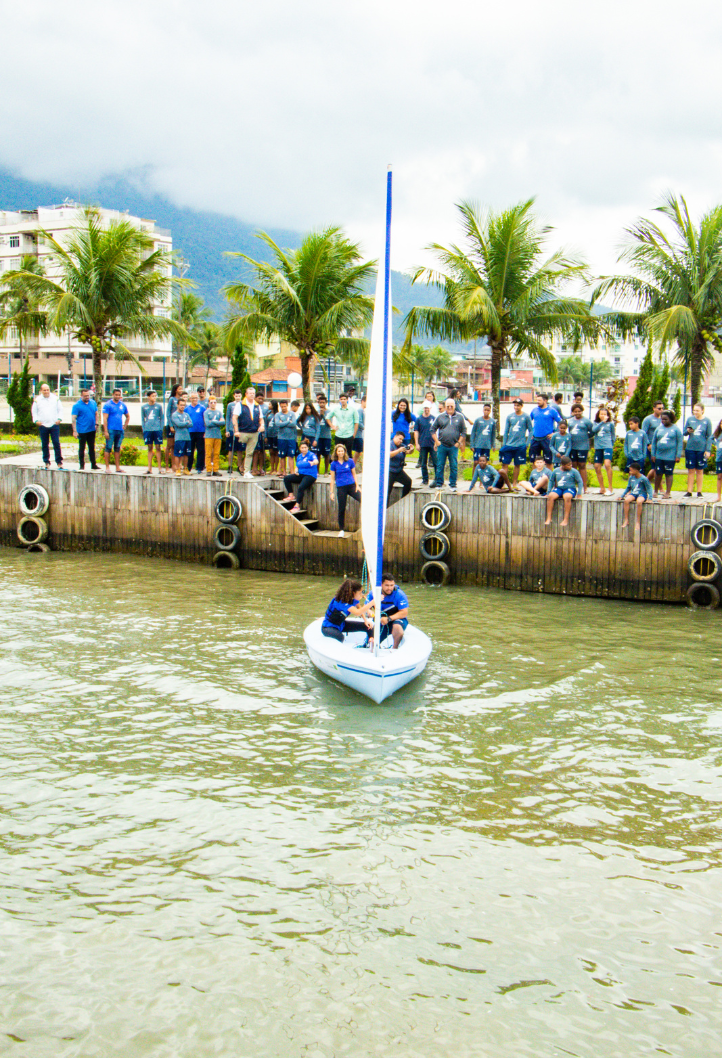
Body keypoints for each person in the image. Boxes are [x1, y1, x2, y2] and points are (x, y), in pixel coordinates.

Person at [321, 579, 374, 644]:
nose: (362, 595)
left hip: (341, 624)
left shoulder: (353, 599)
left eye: (362, 592)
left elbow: (359, 607)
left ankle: (370, 643)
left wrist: (365, 620)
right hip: (329, 626)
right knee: (340, 637)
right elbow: (357, 612)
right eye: (360, 593)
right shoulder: (341, 602)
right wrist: (372, 602)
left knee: (369, 627)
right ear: (353, 593)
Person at [366, 573, 410, 651]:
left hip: (396, 619)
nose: (389, 588)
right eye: (386, 585)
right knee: (370, 642)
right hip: (381, 621)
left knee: (397, 627)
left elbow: (404, 612)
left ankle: (394, 648)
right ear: (381, 585)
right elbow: (366, 608)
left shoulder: (400, 595)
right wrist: (369, 612)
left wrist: (389, 619)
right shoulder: (373, 593)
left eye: (391, 585)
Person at [432, 397, 467, 490]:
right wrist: (437, 441)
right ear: (445, 406)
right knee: (440, 465)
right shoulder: (440, 417)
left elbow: (464, 431)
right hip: (442, 445)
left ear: (455, 406)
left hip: (453, 446)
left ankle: (453, 484)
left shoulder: (460, 417)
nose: (450, 408)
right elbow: (432, 430)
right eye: (448, 406)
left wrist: (459, 442)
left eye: (452, 406)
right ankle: (439, 483)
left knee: (454, 466)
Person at [499, 398, 532, 486]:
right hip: (509, 444)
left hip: (520, 445)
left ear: (521, 406)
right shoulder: (510, 416)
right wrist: (504, 443)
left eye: (518, 405)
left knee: (517, 465)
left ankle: (514, 484)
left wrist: (527, 443)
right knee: (505, 464)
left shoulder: (526, 416)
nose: (516, 407)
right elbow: (506, 431)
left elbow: (531, 431)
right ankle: (504, 484)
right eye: (515, 405)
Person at [232, 386, 264, 478]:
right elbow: (234, 417)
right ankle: (240, 467)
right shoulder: (240, 404)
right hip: (243, 431)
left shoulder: (257, 405)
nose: (252, 395)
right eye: (250, 393)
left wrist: (262, 425)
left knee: (250, 452)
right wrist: (236, 430)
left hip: (254, 432)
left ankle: (246, 471)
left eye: (253, 393)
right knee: (240, 451)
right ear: (246, 394)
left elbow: (261, 418)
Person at [651, 409, 683, 500]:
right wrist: (653, 454)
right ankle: (656, 491)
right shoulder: (659, 428)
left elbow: (680, 442)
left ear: (671, 419)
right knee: (658, 473)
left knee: (668, 473)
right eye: (662, 419)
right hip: (659, 456)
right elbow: (654, 442)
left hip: (670, 456)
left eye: (665, 419)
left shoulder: (676, 429)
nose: (663, 421)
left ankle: (668, 492)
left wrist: (678, 455)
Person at [330, 443, 361, 537]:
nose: (340, 453)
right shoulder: (333, 464)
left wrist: (357, 486)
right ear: (336, 452)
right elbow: (332, 479)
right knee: (341, 508)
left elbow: (354, 474)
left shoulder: (350, 461)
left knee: (363, 500)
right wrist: (331, 492)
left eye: (342, 451)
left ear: (345, 452)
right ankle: (341, 530)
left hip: (351, 486)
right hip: (341, 487)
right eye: (338, 451)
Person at [32, 383, 64, 470]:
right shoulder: (37, 400)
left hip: (54, 425)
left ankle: (59, 462)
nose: (46, 392)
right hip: (43, 425)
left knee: (56, 443)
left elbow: (60, 409)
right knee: (45, 444)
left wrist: (59, 419)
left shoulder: (55, 399)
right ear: (41, 391)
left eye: (48, 390)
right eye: (44, 390)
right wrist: (36, 421)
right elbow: (34, 411)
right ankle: (46, 461)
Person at [683, 402, 712, 498]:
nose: (695, 412)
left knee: (699, 470)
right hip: (690, 448)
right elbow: (684, 433)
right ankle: (689, 491)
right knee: (691, 470)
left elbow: (709, 436)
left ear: (702, 411)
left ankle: (699, 492)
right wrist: (688, 431)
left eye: (697, 410)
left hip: (701, 449)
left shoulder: (707, 421)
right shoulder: (690, 419)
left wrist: (708, 450)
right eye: (694, 410)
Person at [545, 456, 584, 527]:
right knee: (550, 496)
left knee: (567, 496)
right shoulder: (556, 471)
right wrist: (548, 492)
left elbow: (580, 482)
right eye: (568, 465)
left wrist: (579, 493)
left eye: (571, 464)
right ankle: (549, 518)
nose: (570, 466)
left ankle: (565, 519)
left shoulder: (574, 471)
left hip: (570, 489)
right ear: (563, 465)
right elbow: (551, 481)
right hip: (559, 488)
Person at [283, 439, 319, 512]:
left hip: (310, 475)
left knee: (301, 487)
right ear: (300, 448)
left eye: (305, 447)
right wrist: (296, 470)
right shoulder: (299, 456)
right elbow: (297, 466)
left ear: (307, 448)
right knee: (286, 478)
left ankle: (297, 506)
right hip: (301, 474)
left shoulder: (311, 455)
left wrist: (313, 463)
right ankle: (291, 495)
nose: (304, 449)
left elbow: (316, 461)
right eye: (302, 448)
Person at [567, 403, 594, 492]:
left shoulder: (587, 421)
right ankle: (574, 486)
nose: (577, 413)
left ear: (582, 411)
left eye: (579, 411)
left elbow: (592, 431)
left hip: (583, 446)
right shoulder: (570, 421)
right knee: (573, 466)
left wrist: (585, 437)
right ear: (572, 412)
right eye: (575, 411)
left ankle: (584, 487)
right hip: (572, 446)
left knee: (582, 466)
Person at [529, 393, 562, 466]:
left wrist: (555, 433)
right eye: (537, 400)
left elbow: (560, 422)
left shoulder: (552, 410)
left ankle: (548, 477)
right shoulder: (534, 410)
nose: (537, 402)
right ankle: (535, 477)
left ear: (545, 400)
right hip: (535, 439)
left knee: (548, 461)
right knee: (535, 461)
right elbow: (528, 422)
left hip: (547, 439)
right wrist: (531, 433)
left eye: (539, 400)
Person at [102, 388, 130, 474]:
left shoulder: (122, 405)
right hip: (111, 429)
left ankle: (118, 467)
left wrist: (125, 425)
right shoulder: (108, 405)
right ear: (113, 395)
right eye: (116, 395)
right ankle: (107, 467)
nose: (117, 396)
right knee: (108, 448)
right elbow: (105, 418)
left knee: (117, 448)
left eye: (119, 395)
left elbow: (127, 416)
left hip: (119, 430)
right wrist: (105, 431)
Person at [71, 388, 99, 470]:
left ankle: (93, 464)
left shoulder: (93, 403)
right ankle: (82, 465)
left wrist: (96, 423)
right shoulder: (77, 405)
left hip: (91, 429)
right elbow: (73, 418)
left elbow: (96, 413)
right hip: (82, 430)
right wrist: (75, 431)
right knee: (82, 448)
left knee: (91, 447)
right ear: (81, 395)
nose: (87, 397)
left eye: (88, 395)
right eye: (85, 396)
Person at [619, 462, 654, 529]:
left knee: (639, 502)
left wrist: (650, 498)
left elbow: (649, 488)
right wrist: (622, 495)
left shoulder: (643, 479)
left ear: (636, 470)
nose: (630, 472)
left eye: (631, 470)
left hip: (641, 494)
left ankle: (637, 521)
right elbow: (628, 487)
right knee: (626, 500)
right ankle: (626, 519)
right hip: (633, 493)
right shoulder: (631, 478)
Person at [592, 407, 616, 495]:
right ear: (598, 415)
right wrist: (602, 422)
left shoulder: (610, 424)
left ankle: (610, 487)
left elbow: (613, 435)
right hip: (598, 447)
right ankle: (602, 488)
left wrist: (611, 444)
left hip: (607, 446)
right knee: (597, 466)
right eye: (601, 414)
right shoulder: (596, 423)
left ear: (608, 416)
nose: (603, 416)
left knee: (607, 464)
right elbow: (594, 430)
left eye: (605, 414)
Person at [140, 388, 164, 475]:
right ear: (148, 397)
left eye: (155, 396)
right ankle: (149, 468)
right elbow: (143, 419)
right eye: (153, 396)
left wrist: (161, 428)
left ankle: (160, 468)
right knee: (149, 448)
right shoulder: (144, 407)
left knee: (158, 447)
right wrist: (144, 428)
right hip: (148, 429)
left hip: (157, 429)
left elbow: (161, 417)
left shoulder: (158, 406)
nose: (154, 398)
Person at [414, 401, 436, 486]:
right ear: (423, 408)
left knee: (435, 462)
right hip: (423, 444)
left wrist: (436, 442)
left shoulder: (433, 418)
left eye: (428, 408)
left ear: (430, 408)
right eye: (425, 408)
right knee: (423, 463)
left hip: (432, 444)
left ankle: (437, 479)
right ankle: (425, 480)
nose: (426, 409)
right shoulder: (419, 419)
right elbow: (416, 431)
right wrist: (417, 443)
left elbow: (437, 431)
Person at [642, 400, 665, 481]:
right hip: (651, 447)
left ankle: (645, 483)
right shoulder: (648, 419)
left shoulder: (663, 419)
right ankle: (660, 488)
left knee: (658, 466)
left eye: (662, 408)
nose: (661, 410)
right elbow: (643, 433)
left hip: (661, 446)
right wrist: (648, 444)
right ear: (654, 408)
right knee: (655, 466)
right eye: (659, 408)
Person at [387, 431, 413, 504]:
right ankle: (385, 508)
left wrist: (411, 449)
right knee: (387, 491)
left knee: (408, 482)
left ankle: (403, 501)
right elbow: (388, 454)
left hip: (398, 471)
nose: (400, 441)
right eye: (399, 439)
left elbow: (408, 452)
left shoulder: (402, 445)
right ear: (395, 437)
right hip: (390, 471)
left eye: (402, 440)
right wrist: (399, 450)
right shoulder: (390, 444)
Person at [274, 399, 298, 476]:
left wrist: (283, 423)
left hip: (291, 438)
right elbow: (277, 424)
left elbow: (294, 424)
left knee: (291, 455)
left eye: (285, 406)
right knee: (282, 456)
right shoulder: (277, 414)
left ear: (287, 406)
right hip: (281, 438)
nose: (283, 408)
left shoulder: (292, 414)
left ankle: (292, 472)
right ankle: (283, 472)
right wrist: (288, 422)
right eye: (282, 407)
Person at [171, 396, 193, 475]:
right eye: (181, 405)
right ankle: (177, 469)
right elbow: (179, 424)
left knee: (187, 454)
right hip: (179, 437)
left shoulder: (186, 414)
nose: (182, 407)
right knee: (178, 453)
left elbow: (191, 424)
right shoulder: (174, 415)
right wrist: (186, 423)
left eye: (184, 405)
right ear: (177, 405)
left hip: (187, 437)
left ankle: (185, 468)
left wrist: (186, 423)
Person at [203, 395, 225, 476]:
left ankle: (215, 469)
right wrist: (217, 422)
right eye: (211, 402)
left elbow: (223, 422)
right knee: (208, 453)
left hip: (217, 435)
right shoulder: (206, 412)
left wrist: (213, 421)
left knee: (216, 453)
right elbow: (207, 423)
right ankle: (208, 469)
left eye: (214, 402)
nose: (213, 404)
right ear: (209, 403)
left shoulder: (219, 412)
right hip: (209, 435)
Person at [164, 383, 182, 472]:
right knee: (169, 445)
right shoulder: (172, 399)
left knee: (175, 446)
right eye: (179, 389)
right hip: (171, 426)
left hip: (178, 426)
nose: (181, 390)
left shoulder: (180, 400)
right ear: (176, 390)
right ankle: (167, 466)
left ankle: (175, 465)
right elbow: (168, 413)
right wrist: (170, 425)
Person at [225, 389, 243, 476]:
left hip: (240, 430)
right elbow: (228, 417)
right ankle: (229, 466)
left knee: (240, 450)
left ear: (241, 396)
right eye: (236, 396)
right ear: (234, 396)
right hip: (232, 430)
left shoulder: (243, 404)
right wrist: (227, 430)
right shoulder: (230, 405)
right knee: (230, 449)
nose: (238, 397)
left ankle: (239, 466)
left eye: (239, 396)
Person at [315, 394, 333, 474]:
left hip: (326, 436)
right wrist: (320, 415)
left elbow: (330, 424)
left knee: (326, 454)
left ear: (326, 403)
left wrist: (323, 415)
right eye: (320, 402)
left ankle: (326, 471)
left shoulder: (329, 412)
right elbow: (315, 423)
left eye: (323, 402)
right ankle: (317, 471)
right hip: (318, 437)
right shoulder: (316, 412)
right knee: (318, 454)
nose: (321, 404)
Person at [264, 399, 279, 474]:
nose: (268, 406)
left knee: (276, 452)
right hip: (269, 435)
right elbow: (265, 425)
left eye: (270, 404)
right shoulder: (268, 414)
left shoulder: (278, 414)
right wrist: (265, 436)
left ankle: (276, 469)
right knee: (271, 452)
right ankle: (272, 468)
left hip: (276, 435)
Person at [354, 396, 365, 471]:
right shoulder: (360, 410)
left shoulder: (362, 411)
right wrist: (365, 428)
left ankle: (353, 467)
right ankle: (353, 467)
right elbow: (359, 422)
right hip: (358, 434)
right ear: (363, 401)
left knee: (359, 451)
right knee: (358, 451)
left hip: (360, 434)